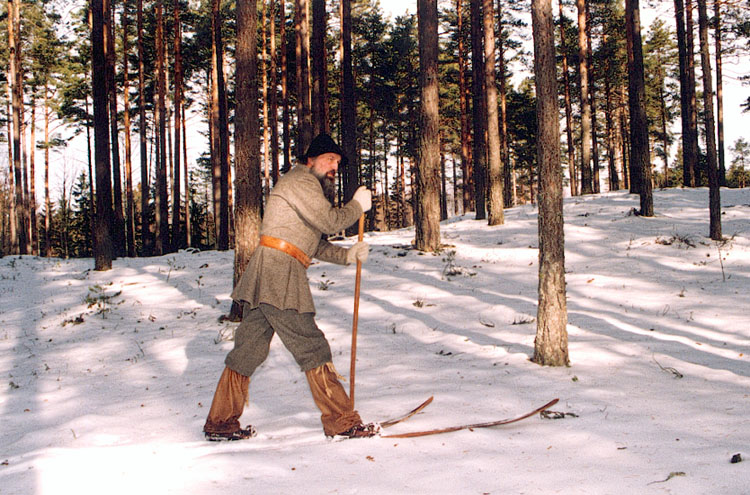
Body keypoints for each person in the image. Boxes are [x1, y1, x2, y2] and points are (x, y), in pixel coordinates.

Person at [203, 133, 377, 441]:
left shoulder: (307, 189)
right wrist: (356, 207)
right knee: (312, 345)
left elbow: (313, 242)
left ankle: (220, 422)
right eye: (328, 160)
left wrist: (346, 255)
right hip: (278, 273)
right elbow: (329, 221)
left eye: (337, 162)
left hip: (269, 273)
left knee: (248, 350)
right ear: (310, 161)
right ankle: (341, 421)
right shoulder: (302, 182)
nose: (333, 166)